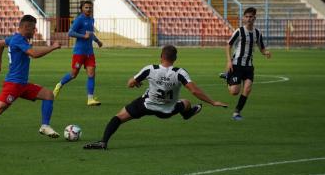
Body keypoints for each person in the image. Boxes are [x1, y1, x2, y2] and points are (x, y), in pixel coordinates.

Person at [83, 45, 228, 150]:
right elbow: (195, 91)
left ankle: (103, 142)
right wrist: (213, 102)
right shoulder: (180, 73)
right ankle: (187, 114)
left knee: (118, 118)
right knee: (186, 102)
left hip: (146, 105)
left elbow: (130, 83)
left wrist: (136, 82)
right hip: (167, 110)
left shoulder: (150, 69)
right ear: (175, 58)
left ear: (161, 56)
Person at [0, 15, 61, 145]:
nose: (34, 31)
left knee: (48, 95)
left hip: (23, 84)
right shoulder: (19, 40)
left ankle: (45, 126)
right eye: (33, 28)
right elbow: (34, 54)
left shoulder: (15, 38)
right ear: (25, 27)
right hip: (13, 85)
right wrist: (52, 47)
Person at [219, 7, 271, 120]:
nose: (248, 19)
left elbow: (261, 48)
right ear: (243, 18)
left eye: (251, 17)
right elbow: (228, 45)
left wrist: (266, 52)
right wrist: (229, 61)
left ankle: (237, 112)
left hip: (249, 67)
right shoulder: (239, 31)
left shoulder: (257, 33)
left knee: (247, 89)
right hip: (237, 64)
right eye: (246, 17)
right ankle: (228, 76)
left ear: (254, 18)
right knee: (234, 92)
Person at [53, 0, 103, 106]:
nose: (88, 9)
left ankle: (90, 99)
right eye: (86, 7)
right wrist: (82, 36)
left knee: (91, 74)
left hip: (89, 52)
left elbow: (90, 33)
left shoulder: (91, 19)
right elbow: (70, 32)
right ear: (82, 9)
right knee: (73, 74)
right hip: (79, 52)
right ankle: (59, 85)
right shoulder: (79, 20)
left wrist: (97, 41)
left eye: (90, 7)